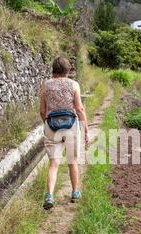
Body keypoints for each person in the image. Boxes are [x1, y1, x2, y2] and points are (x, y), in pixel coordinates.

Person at [39, 57, 89, 210]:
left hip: (51, 125)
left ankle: (49, 196)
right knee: (72, 161)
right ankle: (75, 193)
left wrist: (46, 123)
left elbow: (42, 110)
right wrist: (86, 129)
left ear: (53, 70)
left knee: (54, 164)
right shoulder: (74, 85)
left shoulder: (46, 85)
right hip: (71, 126)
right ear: (68, 70)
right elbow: (79, 109)